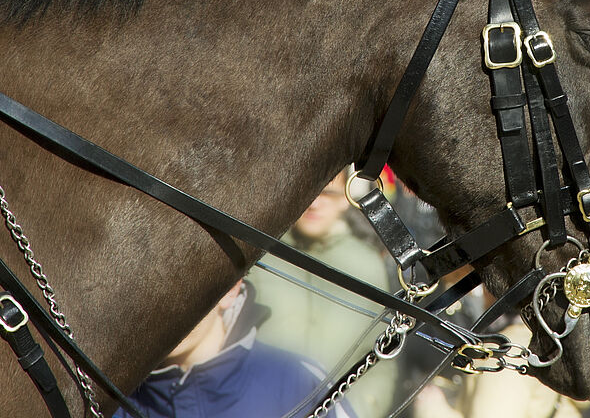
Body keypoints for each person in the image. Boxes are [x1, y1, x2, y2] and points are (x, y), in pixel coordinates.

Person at [248, 170, 398, 418]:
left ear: (344, 199)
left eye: (327, 194)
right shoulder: (261, 255)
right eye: (308, 193)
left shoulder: (367, 265)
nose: (315, 204)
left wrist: (359, 410)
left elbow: (381, 353)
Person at [114, 280, 354, 418]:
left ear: (230, 290)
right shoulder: (108, 398)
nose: (165, 316)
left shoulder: (299, 382)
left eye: (183, 292)